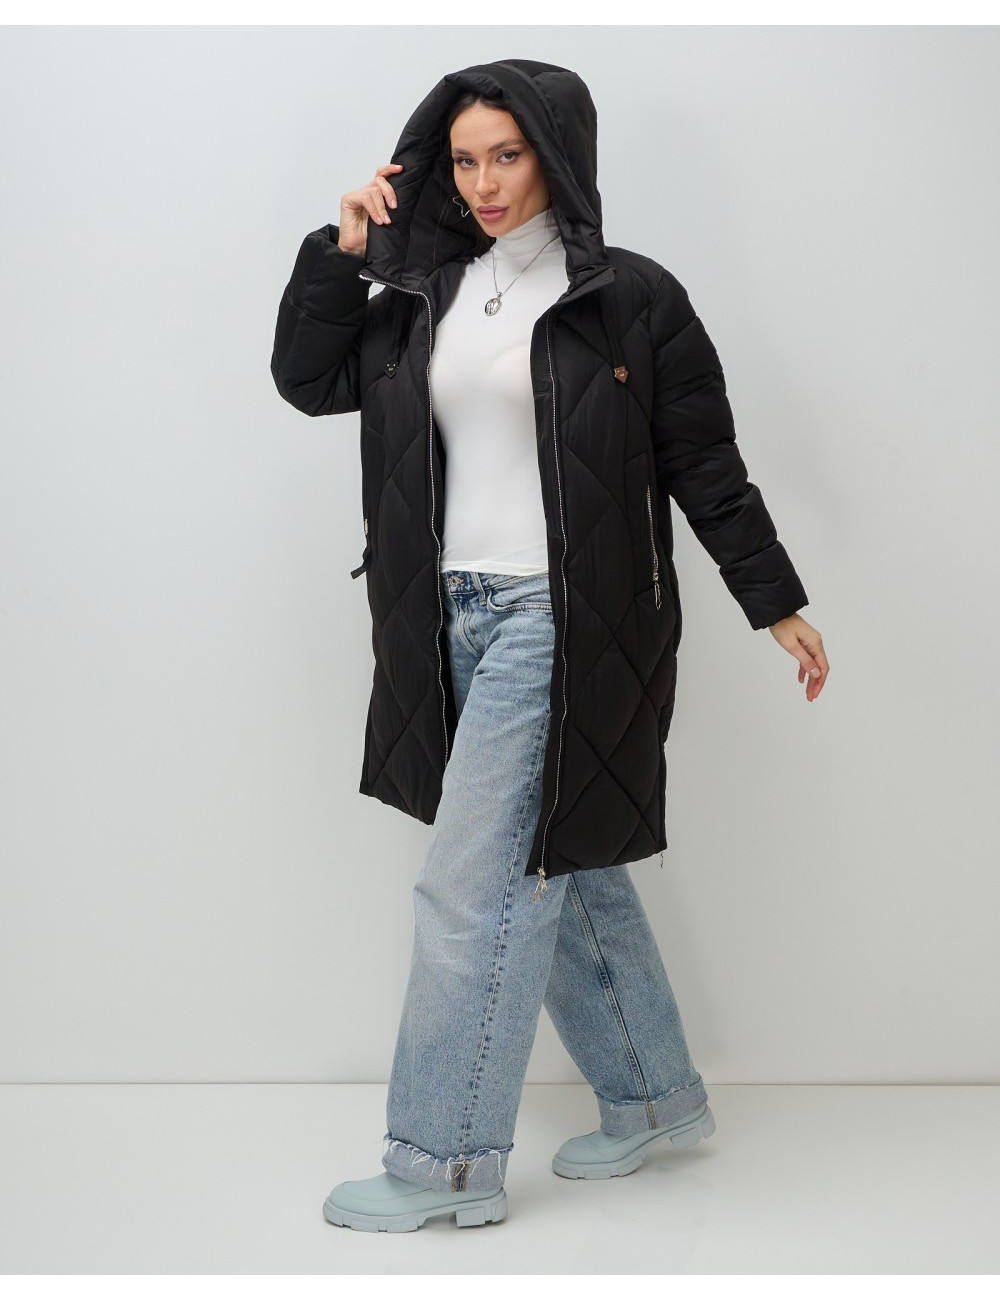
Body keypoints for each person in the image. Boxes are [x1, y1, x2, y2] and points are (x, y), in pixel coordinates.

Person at [270, 58, 828, 1234]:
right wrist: (342, 251)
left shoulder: (629, 297)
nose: (483, 182)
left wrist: (771, 598)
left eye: (507, 156)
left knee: (471, 887)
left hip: (563, 620)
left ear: (556, 153)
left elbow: (702, 462)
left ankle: (443, 1163)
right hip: (443, 616)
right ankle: (653, 1097)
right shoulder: (419, 292)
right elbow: (307, 382)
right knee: (556, 864)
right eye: (463, 160)